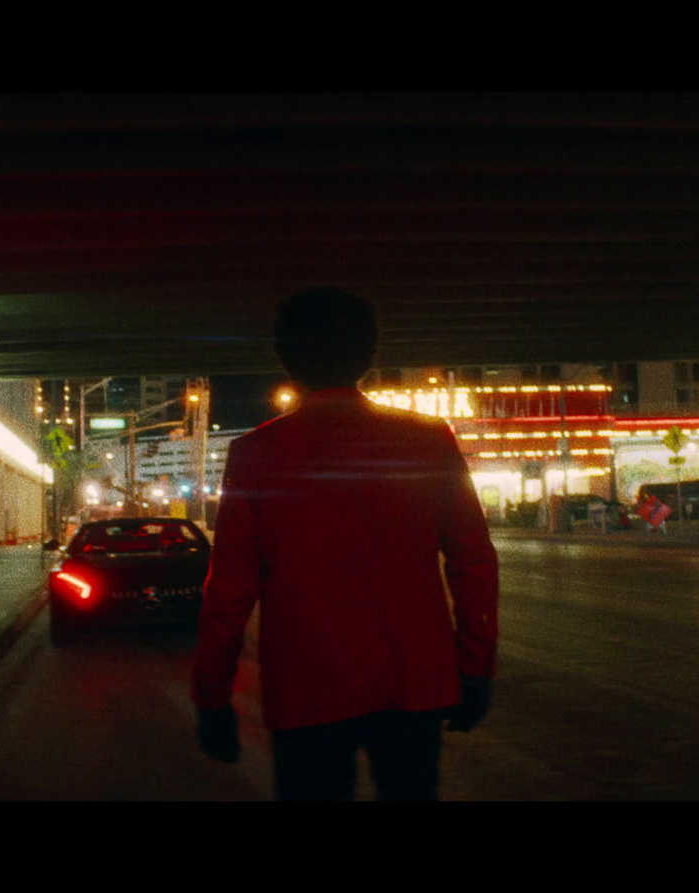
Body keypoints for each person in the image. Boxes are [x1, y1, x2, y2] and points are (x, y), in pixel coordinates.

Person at [190, 286, 500, 801]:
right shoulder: (428, 440)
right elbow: (473, 560)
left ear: (286, 358)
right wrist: (474, 666)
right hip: (413, 684)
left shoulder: (256, 454)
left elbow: (229, 590)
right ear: (369, 355)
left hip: (305, 689)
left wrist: (212, 696)